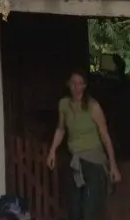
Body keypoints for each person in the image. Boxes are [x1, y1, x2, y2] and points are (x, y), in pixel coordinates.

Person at [47, 71, 121, 220]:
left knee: (89, 210)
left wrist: (113, 165)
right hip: (75, 161)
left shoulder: (93, 106)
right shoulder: (64, 104)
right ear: (68, 84)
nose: (76, 87)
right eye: (73, 83)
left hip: (93, 162)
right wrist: (52, 152)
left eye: (80, 83)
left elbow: (105, 136)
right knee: (74, 210)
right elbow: (60, 129)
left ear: (85, 86)